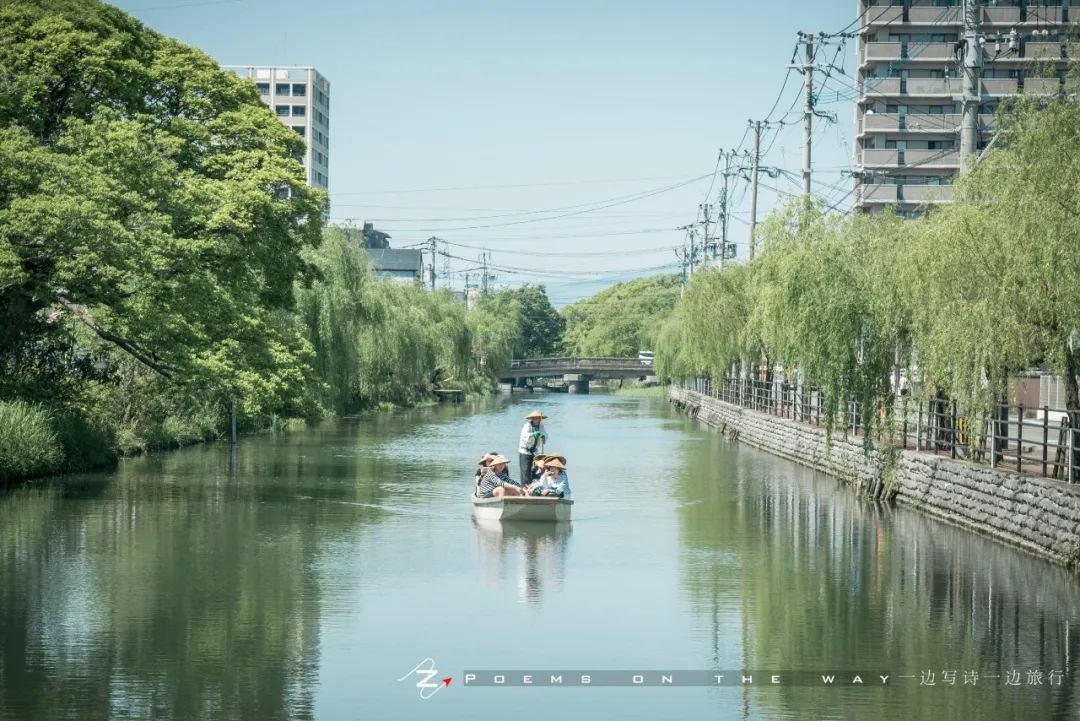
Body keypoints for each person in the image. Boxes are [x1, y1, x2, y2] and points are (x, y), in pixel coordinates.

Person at [518, 410, 548, 486]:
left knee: (536, 470)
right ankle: (525, 488)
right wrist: (533, 435)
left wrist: (543, 435)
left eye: (538, 418)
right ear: (532, 419)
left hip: (534, 452)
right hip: (525, 451)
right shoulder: (527, 426)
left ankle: (535, 485)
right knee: (525, 471)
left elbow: (545, 434)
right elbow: (524, 437)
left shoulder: (541, 426)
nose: (537, 420)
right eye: (535, 418)